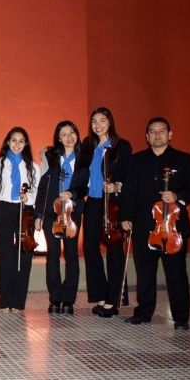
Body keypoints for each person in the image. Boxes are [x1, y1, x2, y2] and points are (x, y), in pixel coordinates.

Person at [121, 117, 190, 330]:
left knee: (176, 274)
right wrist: (125, 217)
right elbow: (128, 191)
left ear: (170, 134)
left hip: (173, 228)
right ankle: (144, 312)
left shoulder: (183, 159)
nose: (157, 135)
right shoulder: (136, 160)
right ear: (146, 137)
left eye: (161, 131)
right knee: (145, 272)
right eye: (152, 132)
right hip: (144, 226)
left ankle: (181, 318)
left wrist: (178, 196)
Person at [81, 107, 132, 318]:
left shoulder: (121, 146)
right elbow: (79, 170)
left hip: (112, 203)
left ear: (110, 122)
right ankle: (100, 296)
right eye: (94, 121)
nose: (98, 125)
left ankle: (113, 299)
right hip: (92, 202)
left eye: (102, 120)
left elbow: (130, 175)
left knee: (113, 249)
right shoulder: (88, 146)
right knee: (90, 248)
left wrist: (117, 186)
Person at [34, 121, 88, 315]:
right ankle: (55, 298)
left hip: (73, 212)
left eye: (72, 132)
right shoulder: (51, 156)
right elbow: (43, 187)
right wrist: (38, 214)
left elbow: (86, 187)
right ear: (58, 138)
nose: (68, 137)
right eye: (64, 134)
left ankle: (68, 299)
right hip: (51, 212)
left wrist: (72, 193)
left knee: (71, 255)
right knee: (53, 255)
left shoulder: (84, 158)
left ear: (76, 134)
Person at [0, 127, 38, 313]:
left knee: (24, 254)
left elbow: (36, 191)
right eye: (13, 140)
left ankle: (18, 302)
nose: (17, 144)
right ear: (8, 142)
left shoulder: (32, 166)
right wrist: (13, 194)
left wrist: (28, 198)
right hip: (5, 208)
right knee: (6, 254)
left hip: (25, 210)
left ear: (25, 144)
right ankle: (5, 301)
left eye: (21, 141)